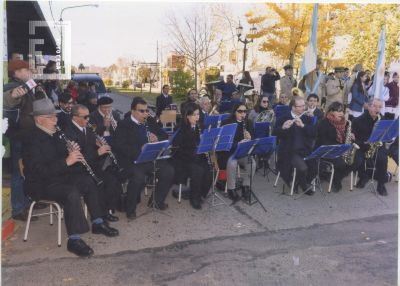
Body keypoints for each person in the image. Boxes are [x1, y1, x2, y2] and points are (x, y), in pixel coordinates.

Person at [22, 99, 118, 257]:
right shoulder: (31, 140)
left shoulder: (56, 133)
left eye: (56, 116)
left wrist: (69, 152)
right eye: (51, 117)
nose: (56, 120)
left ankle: (98, 222)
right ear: (39, 119)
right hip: (39, 184)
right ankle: (74, 240)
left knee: (88, 180)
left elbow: (61, 159)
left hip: (58, 176)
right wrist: (67, 160)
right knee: (71, 192)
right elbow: (39, 171)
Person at [112, 98, 175, 219]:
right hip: (132, 160)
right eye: (142, 111)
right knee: (138, 177)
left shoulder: (150, 121)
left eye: (146, 111)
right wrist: (140, 149)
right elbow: (118, 146)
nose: (145, 114)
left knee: (168, 171)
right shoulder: (124, 124)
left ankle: (156, 201)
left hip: (150, 159)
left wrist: (157, 138)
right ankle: (130, 208)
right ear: (133, 111)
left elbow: (162, 134)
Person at [64, 104, 122, 219]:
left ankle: (107, 211)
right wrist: (98, 152)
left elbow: (91, 151)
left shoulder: (88, 128)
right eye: (85, 117)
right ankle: (100, 216)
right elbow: (78, 157)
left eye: (88, 116)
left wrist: (97, 146)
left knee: (111, 180)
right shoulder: (69, 132)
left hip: (91, 167)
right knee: (98, 183)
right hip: (77, 171)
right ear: (75, 118)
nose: (88, 119)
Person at [3, 60, 42, 221]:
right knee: (19, 173)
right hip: (20, 136)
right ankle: (18, 209)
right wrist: (13, 96)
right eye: (27, 70)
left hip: (27, 135)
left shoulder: (26, 86)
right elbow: (8, 98)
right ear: (17, 73)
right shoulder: (13, 87)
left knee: (27, 170)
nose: (30, 72)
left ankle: (27, 202)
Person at [272, 97, 318, 195]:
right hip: (290, 151)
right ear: (293, 107)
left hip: (306, 150)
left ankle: (298, 181)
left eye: (304, 106)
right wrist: (283, 128)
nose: (304, 108)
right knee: (302, 168)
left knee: (319, 166)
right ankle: (304, 185)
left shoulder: (306, 119)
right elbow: (274, 133)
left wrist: (303, 126)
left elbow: (314, 133)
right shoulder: (283, 119)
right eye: (300, 106)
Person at [171, 103, 213, 209]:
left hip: (198, 157)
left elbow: (205, 143)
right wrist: (196, 150)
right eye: (194, 115)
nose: (197, 117)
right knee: (198, 170)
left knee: (210, 170)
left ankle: (201, 195)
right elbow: (178, 150)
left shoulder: (201, 126)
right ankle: (193, 198)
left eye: (198, 114)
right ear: (187, 116)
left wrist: (207, 144)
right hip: (185, 159)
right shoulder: (180, 128)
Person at [314, 101, 362, 192]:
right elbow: (322, 141)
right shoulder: (324, 123)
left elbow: (346, 139)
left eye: (343, 111)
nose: (341, 113)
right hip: (327, 149)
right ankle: (334, 178)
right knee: (341, 163)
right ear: (331, 111)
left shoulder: (346, 123)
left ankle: (337, 177)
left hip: (340, 149)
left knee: (358, 160)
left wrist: (351, 137)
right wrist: (339, 148)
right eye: (339, 111)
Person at [217, 102, 256, 200]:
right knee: (232, 164)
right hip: (229, 152)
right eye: (240, 111)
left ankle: (245, 187)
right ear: (235, 112)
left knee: (252, 163)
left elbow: (255, 138)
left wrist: (250, 138)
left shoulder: (249, 122)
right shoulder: (227, 122)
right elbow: (224, 140)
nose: (243, 114)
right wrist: (238, 143)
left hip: (243, 152)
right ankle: (231, 189)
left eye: (244, 111)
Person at [353, 98, 389, 196]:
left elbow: (388, 138)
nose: (377, 109)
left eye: (379, 107)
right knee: (357, 157)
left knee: (383, 158)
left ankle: (381, 185)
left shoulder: (384, 120)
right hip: (362, 147)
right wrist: (364, 144)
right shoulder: (358, 120)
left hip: (377, 148)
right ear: (368, 106)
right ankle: (363, 177)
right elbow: (354, 138)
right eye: (374, 106)